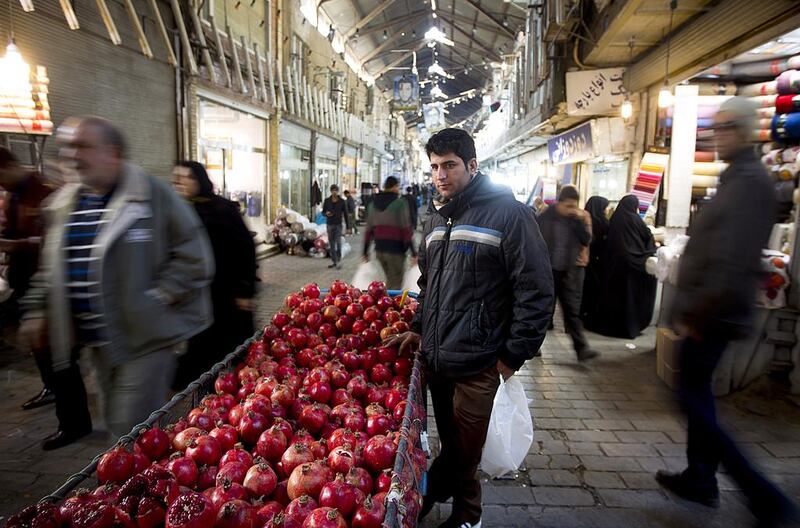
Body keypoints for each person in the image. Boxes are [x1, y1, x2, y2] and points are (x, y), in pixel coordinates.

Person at [386, 128, 553, 528]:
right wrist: (419, 326)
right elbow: (431, 285)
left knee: (464, 449)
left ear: (473, 166)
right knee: (454, 443)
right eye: (434, 167)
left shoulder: (510, 216)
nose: (440, 175)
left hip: (480, 362)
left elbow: (537, 290)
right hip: (439, 358)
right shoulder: (437, 218)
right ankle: (442, 500)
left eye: (449, 165)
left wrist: (512, 357)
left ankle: (464, 516)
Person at [18, 116, 213, 449]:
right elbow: (52, 267)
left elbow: (195, 256)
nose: (71, 155)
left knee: (128, 428)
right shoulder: (65, 204)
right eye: (67, 146)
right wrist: (37, 307)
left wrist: (159, 296)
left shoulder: (153, 196)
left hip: (147, 340)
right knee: (116, 420)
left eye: (82, 146)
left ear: (113, 152)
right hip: (101, 342)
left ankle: (131, 490)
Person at [656, 97, 798, 525]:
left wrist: (698, 312)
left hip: (713, 313)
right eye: (715, 127)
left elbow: (731, 257)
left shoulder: (751, 180)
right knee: (694, 397)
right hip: (710, 309)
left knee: (693, 400)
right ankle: (701, 478)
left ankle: (764, 496)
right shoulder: (738, 176)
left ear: (746, 129)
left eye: (726, 126)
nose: (719, 135)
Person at [170, 161, 256, 390]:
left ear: (198, 180)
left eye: (184, 177)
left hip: (228, 295)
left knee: (236, 353)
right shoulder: (178, 213)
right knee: (202, 355)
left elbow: (246, 248)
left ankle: (243, 397)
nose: (178, 182)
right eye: (175, 178)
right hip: (198, 297)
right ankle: (208, 401)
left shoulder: (223, 209)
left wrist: (246, 289)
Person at [0, 148, 57, 410]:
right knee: (40, 343)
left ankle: (58, 391)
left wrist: (15, 245)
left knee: (49, 345)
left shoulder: (42, 192)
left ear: (9, 165)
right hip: (24, 280)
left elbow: (48, 241)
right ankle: (52, 387)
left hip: (43, 280)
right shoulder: (13, 196)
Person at [537, 186, 599, 361]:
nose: (572, 210)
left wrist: (580, 222)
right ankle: (533, 346)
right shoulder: (544, 218)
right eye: (569, 206)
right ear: (559, 203)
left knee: (571, 311)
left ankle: (581, 349)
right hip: (547, 273)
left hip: (567, 272)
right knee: (543, 312)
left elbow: (586, 240)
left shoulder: (574, 220)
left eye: (574, 206)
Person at [591, 194, 656, 338]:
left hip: (614, 266)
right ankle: (630, 325)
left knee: (616, 297)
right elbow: (647, 236)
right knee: (630, 299)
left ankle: (614, 325)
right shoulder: (635, 219)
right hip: (632, 266)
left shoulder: (614, 219)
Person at [362, 176, 416, 290]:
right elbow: (406, 229)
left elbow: (368, 231)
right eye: (398, 186)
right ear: (395, 187)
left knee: (389, 280)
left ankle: (384, 303)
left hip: (379, 251)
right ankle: (390, 306)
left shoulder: (372, 204)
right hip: (396, 251)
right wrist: (414, 252)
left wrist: (365, 252)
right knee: (396, 283)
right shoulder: (400, 203)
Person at [580, 196, 610, 328]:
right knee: (594, 290)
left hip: (584, 261)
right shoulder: (601, 222)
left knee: (585, 290)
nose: (605, 211)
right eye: (604, 208)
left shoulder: (582, 219)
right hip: (597, 262)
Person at [322, 184, 347, 269]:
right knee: (331, 243)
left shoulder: (342, 201)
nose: (334, 192)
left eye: (336, 190)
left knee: (338, 242)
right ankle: (334, 261)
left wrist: (349, 226)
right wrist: (326, 213)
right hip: (329, 224)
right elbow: (323, 212)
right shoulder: (327, 201)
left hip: (338, 224)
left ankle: (338, 258)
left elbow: (346, 213)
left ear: (338, 191)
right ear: (331, 191)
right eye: (333, 190)